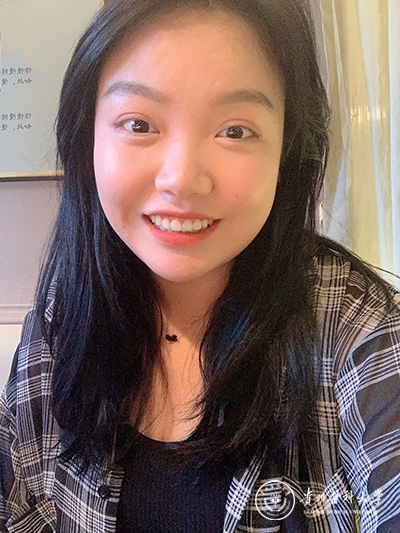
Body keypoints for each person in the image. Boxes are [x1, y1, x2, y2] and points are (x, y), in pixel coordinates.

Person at [1, 0, 399, 531]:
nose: (182, 179)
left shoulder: (362, 336)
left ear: (287, 148)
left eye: (235, 131)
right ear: (87, 136)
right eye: (139, 123)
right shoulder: (60, 323)